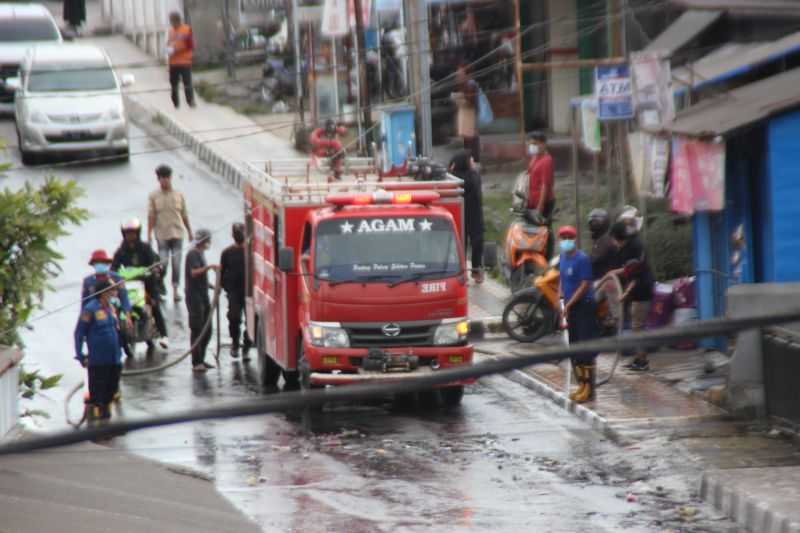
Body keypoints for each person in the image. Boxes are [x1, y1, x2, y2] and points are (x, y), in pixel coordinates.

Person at [112, 218, 169, 350]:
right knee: (117, 305)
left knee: (154, 305)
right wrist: (113, 276)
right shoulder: (121, 250)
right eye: (127, 233)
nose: (130, 235)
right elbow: (114, 267)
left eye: (132, 233)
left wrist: (154, 270)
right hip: (128, 284)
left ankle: (164, 335)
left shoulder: (145, 248)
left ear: (138, 233)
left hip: (147, 282)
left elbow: (155, 263)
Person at [607, 216, 655, 372]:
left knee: (637, 327)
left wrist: (625, 293)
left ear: (617, 237)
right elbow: (628, 270)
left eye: (613, 238)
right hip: (637, 291)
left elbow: (635, 275)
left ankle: (643, 362)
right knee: (636, 325)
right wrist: (614, 272)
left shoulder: (634, 247)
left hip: (642, 290)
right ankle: (637, 358)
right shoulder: (628, 246)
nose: (612, 242)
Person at [558, 225, 599, 403]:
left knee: (585, 349)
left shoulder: (582, 259)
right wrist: (561, 300)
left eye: (569, 237)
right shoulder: (562, 257)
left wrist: (570, 303)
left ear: (575, 239)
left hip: (584, 306)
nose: (566, 240)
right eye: (563, 237)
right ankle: (581, 385)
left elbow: (584, 285)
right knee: (575, 348)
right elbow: (562, 280)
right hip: (570, 307)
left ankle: (589, 390)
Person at [74, 278, 123, 421]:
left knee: (112, 388)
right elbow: (79, 333)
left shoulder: (111, 308)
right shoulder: (90, 309)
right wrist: (80, 354)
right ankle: (98, 418)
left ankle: (105, 410)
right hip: (98, 359)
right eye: (111, 290)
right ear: (103, 293)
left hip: (114, 358)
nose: (114, 293)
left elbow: (116, 329)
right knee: (98, 392)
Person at [148, 164, 193, 303]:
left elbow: (184, 214)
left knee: (176, 263)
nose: (165, 181)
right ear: (158, 179)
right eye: (162, 178)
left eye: (167, 178)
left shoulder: (178, 195)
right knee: (163, 263)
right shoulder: (153, 196)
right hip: (162, 235)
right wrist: (149, 233)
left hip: (177, 233)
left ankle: (175, 291)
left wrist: (189, 231)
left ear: (170, 178)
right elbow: (151, 216)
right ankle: (159, 286)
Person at [185, 229, 219, 372]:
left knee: (208, 329)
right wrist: (210, 268)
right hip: (194, 298)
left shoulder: (200, 254)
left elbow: (200, 277)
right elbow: (194, 273)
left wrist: (212, 286)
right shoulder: (193, 254)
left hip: (203, 295)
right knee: (197, 329)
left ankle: (201, 359)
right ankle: (196, 362)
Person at [449, 150, 485, 284]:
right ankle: (466, 272)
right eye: (470, 159)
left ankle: (473, 270)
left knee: (474, 243)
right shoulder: (456, 178)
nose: (473, 162)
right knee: (464, 244)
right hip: (465, 215)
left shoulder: (471, 176)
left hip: (473, 215)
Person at [220, 223, 252, 360]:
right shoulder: (227, 253)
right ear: (233, 235)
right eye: (237, 233)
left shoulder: (251, 251)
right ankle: (235, 343)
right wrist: (224, 286)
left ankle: (247, 346)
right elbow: (222, 272)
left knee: (250, 321)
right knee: (234, 317)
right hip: (233, 291)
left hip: (249, 292)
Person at [526, 131, 555, 258]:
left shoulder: (547, 161)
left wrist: (540, 206)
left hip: (543, 202)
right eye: (531, 143)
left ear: (543, 144)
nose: (532, 146)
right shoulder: (535, 157)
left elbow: (545, 185)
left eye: (535, 144)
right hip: (532, 201)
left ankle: (545, 256)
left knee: (544, 230)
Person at [82, 249, 131, 317]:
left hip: (114, 311)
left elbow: (124, 297)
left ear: (106, 263)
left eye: (102, 262)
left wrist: (127, 315)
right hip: (94, 312)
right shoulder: (88, 281)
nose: (99, 264)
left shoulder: (116, 278)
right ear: (93, 264)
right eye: (97, 262)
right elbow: (85, 302)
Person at [166, 11, 196, 109]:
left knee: (187, 83)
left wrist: (176, 49)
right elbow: (169, 44)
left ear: (177, 20)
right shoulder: (171, 31)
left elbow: (191, 45)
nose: (170, 23)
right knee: (173, 84)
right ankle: (175, 103)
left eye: (171, 21)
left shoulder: (186, 29)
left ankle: (190, 101)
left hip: (184, 62)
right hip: (173, 63)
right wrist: (168, 50)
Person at [454, 63, 481, 165]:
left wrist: (461, 98)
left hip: (470, 114)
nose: (458, 76)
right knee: (467, 139)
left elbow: (471, 101)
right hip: (466, 114)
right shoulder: (464, 84)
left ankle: (473, 160)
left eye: (460, 74)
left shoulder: (470, 84)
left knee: (471, 138)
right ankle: (469, 159)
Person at [588, 208, 616, 280]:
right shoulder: (598, 240)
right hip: (599, 280)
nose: (593, 225)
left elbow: (593, 259)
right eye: (592, 223)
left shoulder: (606, 240)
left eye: (596, 223)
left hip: (605, 281)